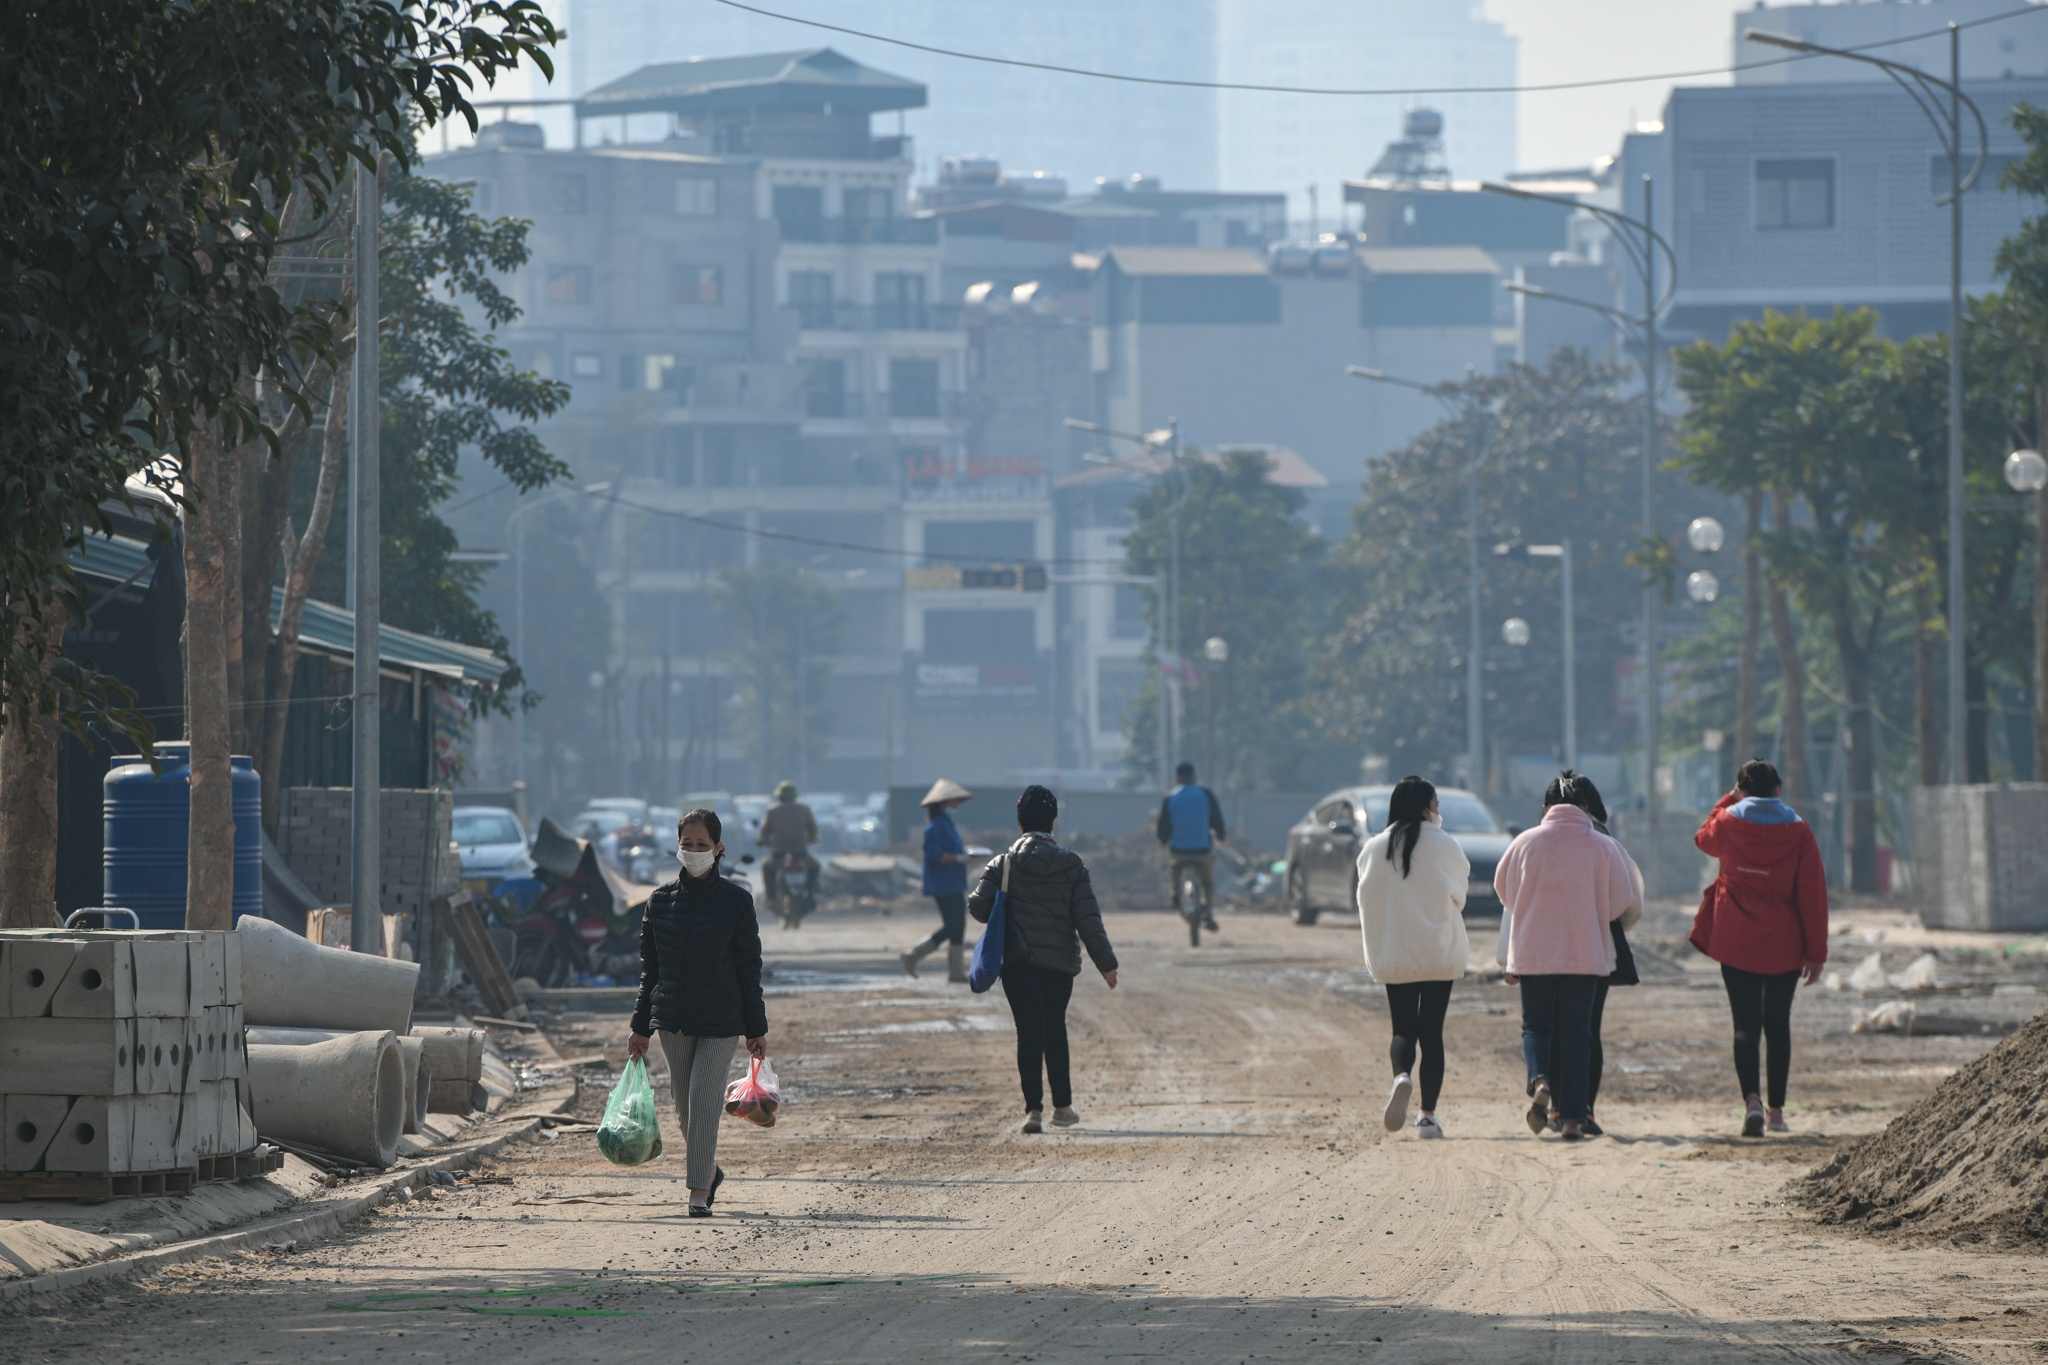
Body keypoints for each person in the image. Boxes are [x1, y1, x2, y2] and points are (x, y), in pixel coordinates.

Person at [626, 809, 768, 1217]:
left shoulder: (737, 902)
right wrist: (640, 1028)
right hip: (672, 1020)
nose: (693, 852)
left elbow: (749, 969)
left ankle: (697, 1192)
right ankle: (710, 1170)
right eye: (687, 845)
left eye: (702, 845)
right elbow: (649, 971)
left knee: (705, 1101)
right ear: (677, 847)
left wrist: (755, 1028)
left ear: (718, 848)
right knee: (685, 1107)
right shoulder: (660, 901)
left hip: (722, 1020)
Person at [1494, 773, 1642, 1141]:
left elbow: (1505, 892)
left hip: (1533, 953)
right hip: (1585, 953)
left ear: (1545, 808)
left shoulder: (1524, 843)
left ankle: (1541, 1081)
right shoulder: (1604, 847)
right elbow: (1621, 902)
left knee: (1537, 1028)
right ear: (1586, 809)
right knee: (1578, 1036)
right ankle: (1574, 1120)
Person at [1690, 759, 1828, 1138]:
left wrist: (1727, 798)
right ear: (1778, 790)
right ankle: (1777, 1112)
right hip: (1785, 941)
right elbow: (1813, 893)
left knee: (1745, 1025)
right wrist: (1817, 952)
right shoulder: (1800, 832)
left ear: (1741, 790)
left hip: (1735, 939)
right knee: (1777, 1023)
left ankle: (1751, 1100)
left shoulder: (1728, 822)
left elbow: (1703, 837)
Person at [970, 785, 1119, 1134]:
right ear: (1053, 822)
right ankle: (1063, 1108)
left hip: (1018, 964)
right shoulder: (1072, 865)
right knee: (1055, 1028)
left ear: (1020, 824)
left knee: (1028, 1032)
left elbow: (977, 907)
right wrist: (1106, 964)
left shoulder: (1003, 864)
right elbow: (1088, 920)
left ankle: (1033, 1111)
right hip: (1059, 966)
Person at [1354, 775, 1470, 1139]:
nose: (1439, 813)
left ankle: (1401, 1076)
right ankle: (1427, 1117)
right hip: (1438, 952)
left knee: (1403, 1028)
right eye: (1436, 806)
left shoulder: (1374, 847)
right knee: (1431, 1033)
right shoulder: (1445, 845)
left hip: (1396, 953)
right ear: (1425, 808)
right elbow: (1459, 895)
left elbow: (1364, 897)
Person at [901, 777, 974, 982]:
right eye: (954, 801)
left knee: (958, 925)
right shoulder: (934, 826)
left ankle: (956, 971)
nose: (957, 805)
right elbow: (935, 855)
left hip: (955, 880)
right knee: (953, 925)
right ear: (943, 802)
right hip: (944, 883)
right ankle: (914, 954)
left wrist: (964, 855)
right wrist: (959, 858)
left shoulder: (946, 823)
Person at [1156, 761, 1227, 930]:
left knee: (1174, 868)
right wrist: (1221, 835)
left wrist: (1163, 840)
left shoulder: (1170, 797)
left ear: (1177, 779)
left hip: (1179, 850)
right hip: (1202, 850)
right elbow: (1216, 818)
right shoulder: (1206, 794)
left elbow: (1163, 824)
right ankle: (1207, 912)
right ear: (1194, 777)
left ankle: (1174, 896)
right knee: (1207, 882)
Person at [755, 780, 819, 915]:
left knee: (766, 867)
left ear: (779, 796)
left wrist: (763, 841)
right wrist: (811, 839)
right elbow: (813, 830)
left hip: (779, 853)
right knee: (815, 867)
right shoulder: (804, 810)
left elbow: (764, 831)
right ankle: (811, 894)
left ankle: (771, 899)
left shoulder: (772, 810)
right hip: (801, 852)